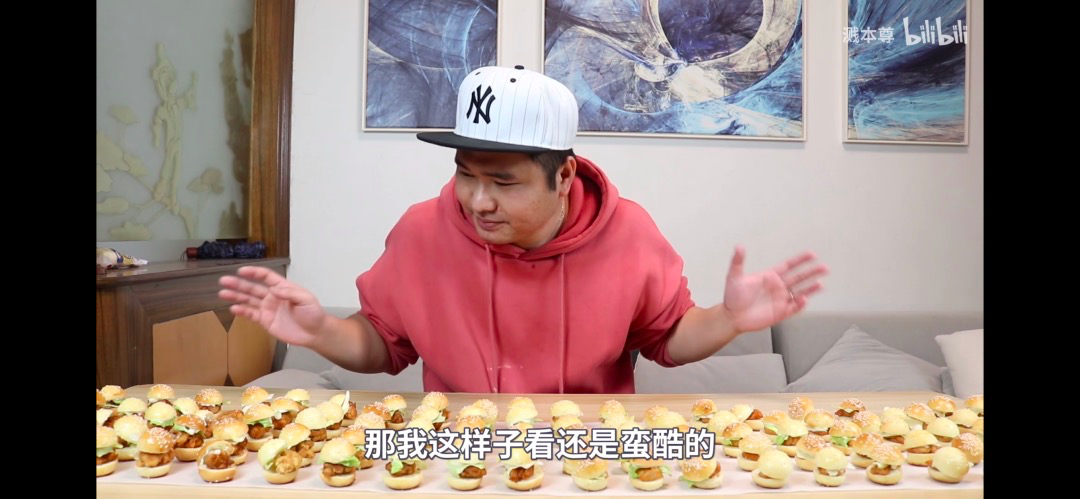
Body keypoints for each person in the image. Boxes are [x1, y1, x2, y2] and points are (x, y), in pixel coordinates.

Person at [220, 65, 828, 393]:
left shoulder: (630, 233)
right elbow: (384, 346)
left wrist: (728, 319)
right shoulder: (421, 230)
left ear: (563, 176)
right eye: (465, 174)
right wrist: (322, 331)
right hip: (457, 453)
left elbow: (667, 340)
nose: (478, 201)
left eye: (503, 181)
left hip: (588, 454)